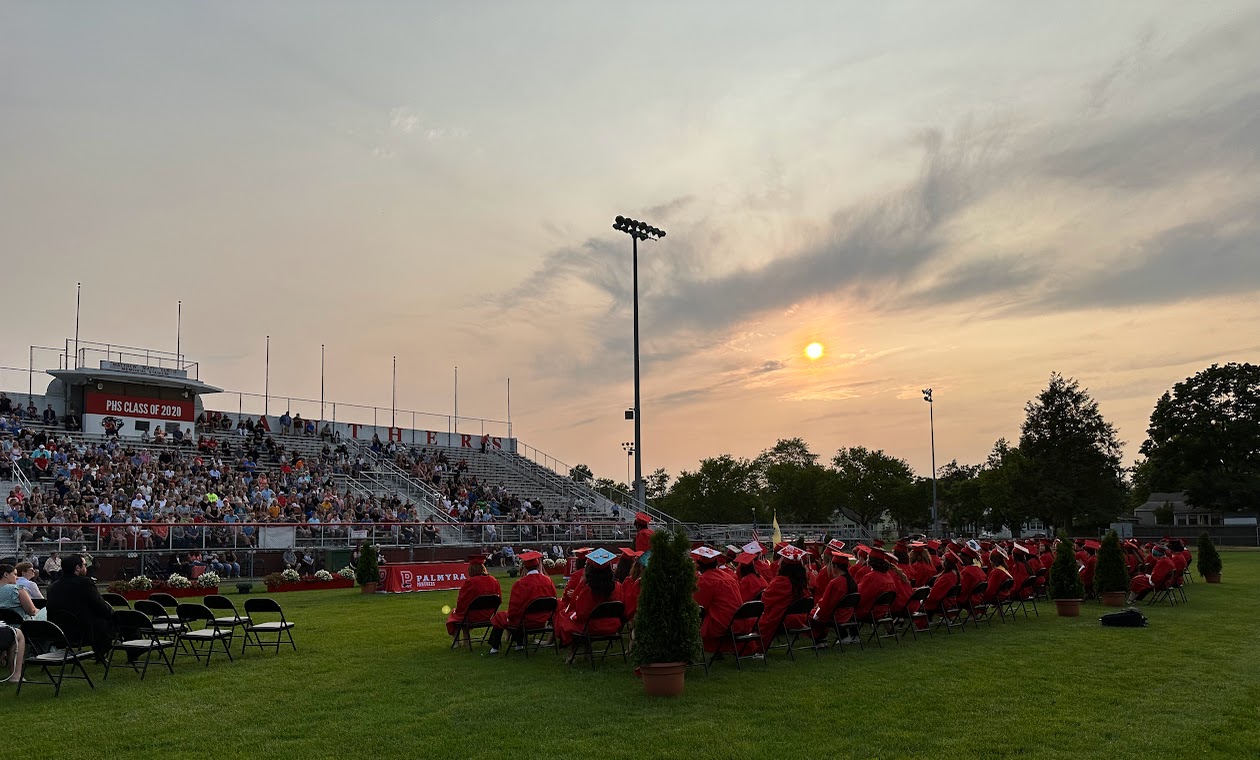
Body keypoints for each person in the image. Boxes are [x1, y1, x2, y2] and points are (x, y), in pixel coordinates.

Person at [555, 548, 622, 662]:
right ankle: (586, 650)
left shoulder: (588, 590)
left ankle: (573, 652)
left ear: (590, 570)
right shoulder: (617, 587)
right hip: (613, 625)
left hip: (593, 627)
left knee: (564, 617)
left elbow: (581, 614)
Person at [46, 554, 115, 661]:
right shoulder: (85, 583)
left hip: (59, 631)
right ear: (77, 568)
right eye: (84, 565)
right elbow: (100, 606)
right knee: (111, 619)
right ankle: (130, 651)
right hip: (83, 632)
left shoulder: (52, 587)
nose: (86, 567)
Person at [487, 551, 556, 654]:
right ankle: (519, 644)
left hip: (525, 621)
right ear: (538, 566)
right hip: (542, 620)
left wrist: (510, 617)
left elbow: (514, 607)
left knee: (500, 617)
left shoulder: (521, 584)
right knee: (520, 616)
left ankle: (495, 648)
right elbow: (553, 600)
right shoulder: (548, 581)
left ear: (524, 567)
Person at [691, 546, 742, 655]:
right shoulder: (728, 577)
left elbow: (698, 604)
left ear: (699, 565)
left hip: (721, 623)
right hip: (738, 620)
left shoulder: (705, 580)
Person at [758, 545, 812, 651]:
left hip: (784, 619)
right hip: (802, 618)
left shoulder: (781, 582)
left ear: (783, 565)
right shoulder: (803, 581)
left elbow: (765, 600)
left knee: (755, 621)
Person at [446, 555, 503, 639]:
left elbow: (462, 602)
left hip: (472, 616)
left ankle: (457, 643)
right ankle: (465, 641)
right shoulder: (493, 580)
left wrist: (457, 611)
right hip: (488, 615)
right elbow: (499, 599)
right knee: (464, 614)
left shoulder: (470, 582)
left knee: (456, 615)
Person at [811, 550, 859, 643]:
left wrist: (818, 606)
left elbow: (826, 602)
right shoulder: (851, 581)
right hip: (849, 613)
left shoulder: (835, 583)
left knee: (812, 616)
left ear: (835, 566)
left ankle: (820, 640)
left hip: (836, 614)